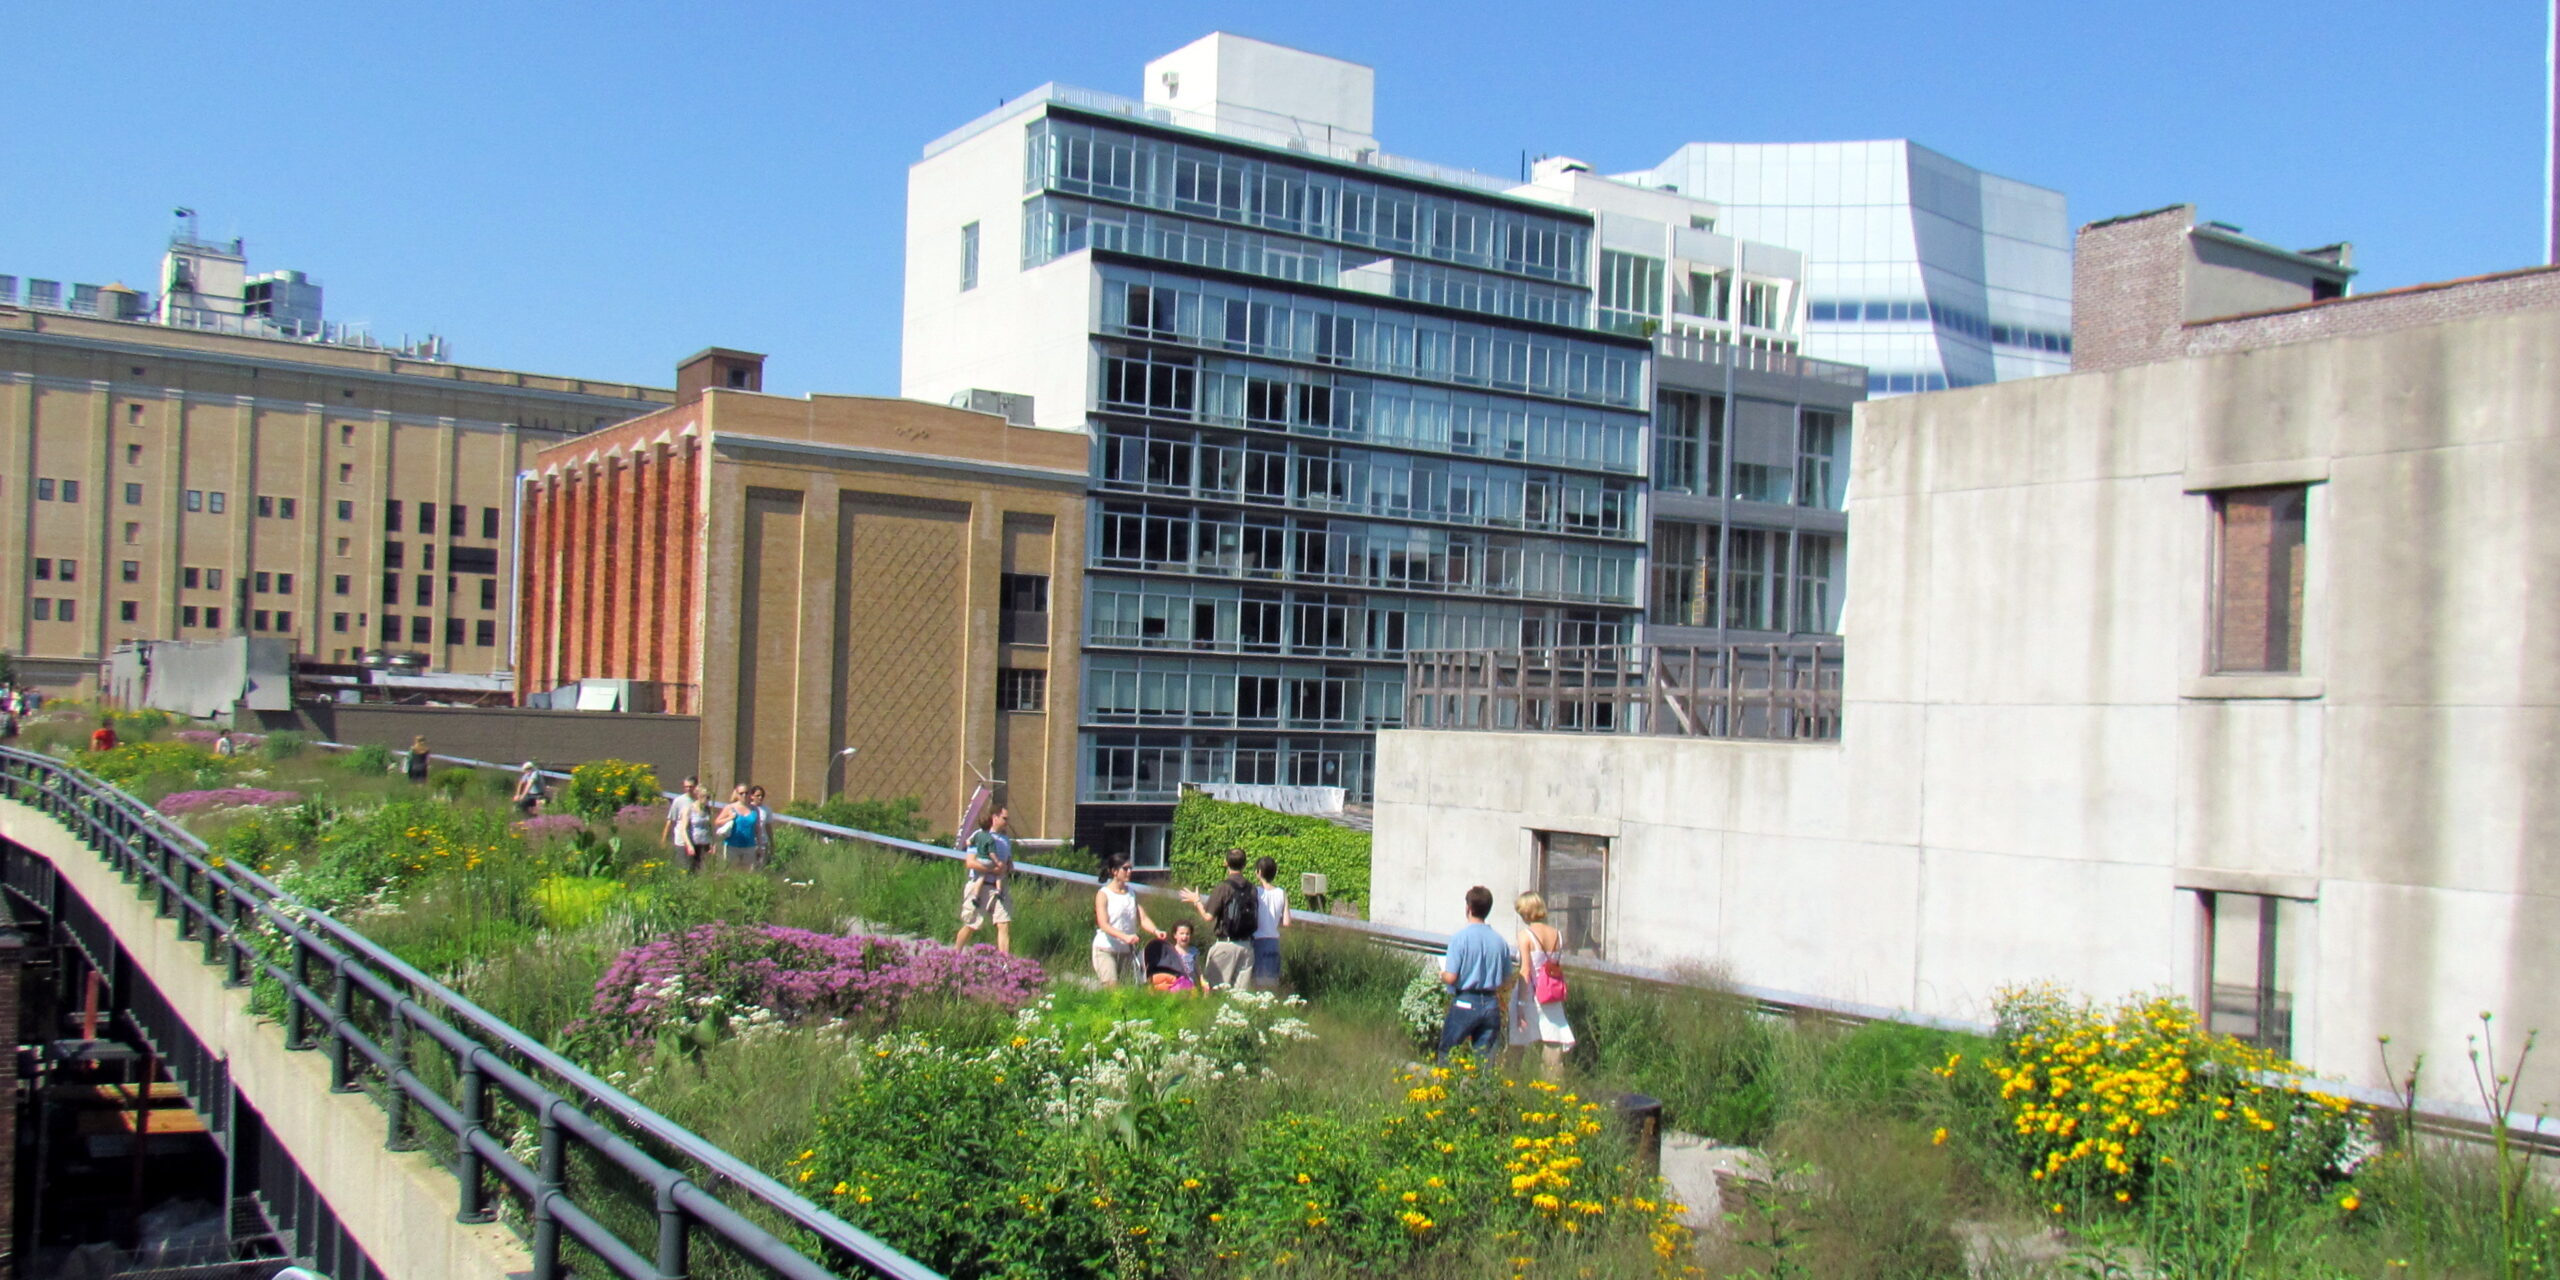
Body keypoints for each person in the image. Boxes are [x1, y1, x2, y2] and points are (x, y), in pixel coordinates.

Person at [1436, 885, 1515, 1065]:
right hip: (1491, 1003)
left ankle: (1443, 1089)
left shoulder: (1460, 938)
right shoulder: (1500, 941)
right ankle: (1484, 1092)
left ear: (1468, 908)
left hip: (1465, 1000)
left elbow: (1452, 977)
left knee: (1448, 1051)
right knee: (1486, 1059)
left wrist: (1441, 974)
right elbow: (1507, 980)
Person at [1509, 892, 1577, 1075]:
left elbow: (1525, 970)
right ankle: (1552, 1088)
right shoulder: (1557, 935)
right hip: (1550, 994)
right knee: (1553, 1041)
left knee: (1518, 1042)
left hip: (1530, 993)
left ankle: (1510, 1083)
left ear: (1526, 912)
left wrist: (1521, 1004)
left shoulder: (1525, 935)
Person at [1179, 848, 1257, 992]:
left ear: (1225, 863)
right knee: (1241, 996)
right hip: (1247, 946)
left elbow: (1208, 917)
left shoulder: (1224, 887)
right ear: (1245, 864)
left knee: (1214, 990)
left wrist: (1197, 901)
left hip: (1226, 945)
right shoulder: (1252, 888)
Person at [1090, 855, 1166, 985]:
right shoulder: (1104, 894)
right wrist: (1124, 936)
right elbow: (1103, 924)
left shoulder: (1131, 893)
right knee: (1112, 989)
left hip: (1126, 951)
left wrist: (1156, 931)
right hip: (1105, 948)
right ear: (1114, 871)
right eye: (1125, 869)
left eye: (1131, 868)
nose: (1129, 872)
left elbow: (1142, 918)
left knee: (1126, 989)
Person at [954, 806, 1015, 954]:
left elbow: (1009, 864)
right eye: (1004, 818)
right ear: (995, 817)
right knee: (971, 924)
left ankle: (1005, 965)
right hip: (980, 885)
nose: (1007, 822)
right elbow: (970, 863)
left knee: (1003, 924)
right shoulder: (980, 836)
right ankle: (955, 955)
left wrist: (1006, 868)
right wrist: (992, 870)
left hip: (999, 887)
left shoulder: (1006, 840)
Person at [1250, 855, 1291, 991]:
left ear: (1259, 872)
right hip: (1274, 941)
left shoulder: (1255, 892)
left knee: (1256, 984)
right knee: (1271, 983)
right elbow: (1286, 922)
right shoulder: (1282, 893)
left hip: (1258, 940)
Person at [718, 785, 774, 870]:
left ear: (750, 795)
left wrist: (759, 846)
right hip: (732, 846)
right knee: (731, 871)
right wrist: (729, 818)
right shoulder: (730, 807)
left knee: (748, 873)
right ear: (737, 794)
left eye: (746, 793)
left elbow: (758, 829)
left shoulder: (754, 810)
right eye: (741, 793)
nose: (744, 795)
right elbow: (717, 822)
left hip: (749, 846)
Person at [665, 778, 713, 874]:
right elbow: (683, 829)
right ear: (698, 795)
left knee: (702, 870)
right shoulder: (689, 809)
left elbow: (710, 828)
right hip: (692, 843)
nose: (707, 799)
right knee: (688, 870)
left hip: (704, 844)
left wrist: (712, 843)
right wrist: (689, 845)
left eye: (708, 797)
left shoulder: (707, 810)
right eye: (704, 796)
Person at [1145, 922, 1202, 994]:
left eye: (1187, 934)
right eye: (1182, 933)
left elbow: (1197, 968)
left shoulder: (1194, 951)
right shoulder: (1172, 952)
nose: (1184, 936)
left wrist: (1202, 981)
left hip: (1192, 985)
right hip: (1177, 984)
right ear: (1175, 935)